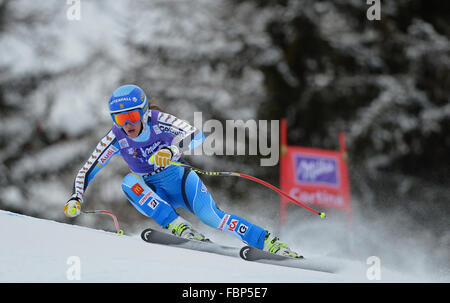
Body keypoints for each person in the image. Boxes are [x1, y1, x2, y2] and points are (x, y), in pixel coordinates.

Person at [63, 84, 300, 258]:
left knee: (213, 218)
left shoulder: (159, 120)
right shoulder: (115, 137)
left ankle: (268, 242)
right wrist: (76, 196)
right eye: (119, 118)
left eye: (132, 116)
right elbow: (89, 168)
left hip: (181, 181)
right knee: (128, 182)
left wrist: (171, 150)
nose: (127, 124)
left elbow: (196, 135)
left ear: (144, 112)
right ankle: (178, 226)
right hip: (154, 190)